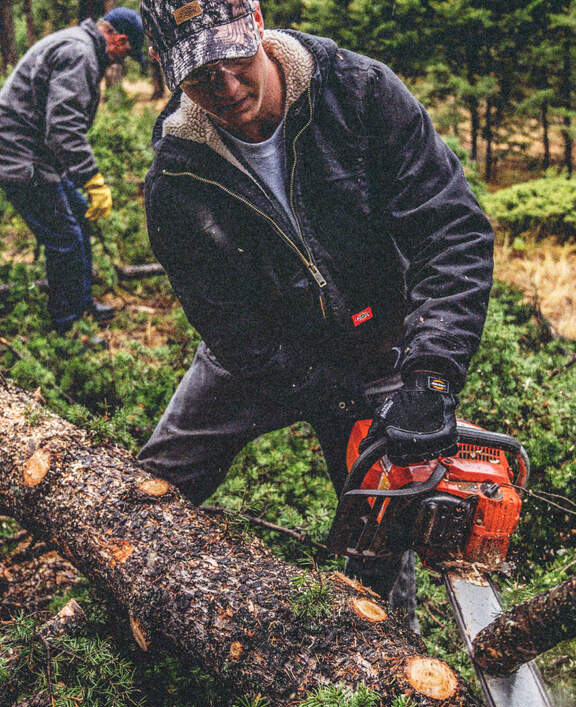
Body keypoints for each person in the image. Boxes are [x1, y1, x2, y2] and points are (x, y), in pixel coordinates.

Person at [137, 0, 494, 630]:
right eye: (198, 76)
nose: (226, 88)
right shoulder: (179, 169)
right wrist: (317, 391)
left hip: (377, 335)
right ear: (170, 71)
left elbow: (451, 232)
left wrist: (431, 376)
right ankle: (111, 608)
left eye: (233, 60)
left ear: (256, 24)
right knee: (150, 489)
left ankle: (383, 647)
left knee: (387, 517)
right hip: (259, 354)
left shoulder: (358, 95)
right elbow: (224, 321)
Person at [0, 8, 144, 334]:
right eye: (126, 53)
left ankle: (81, 304)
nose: (122, 60)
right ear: (119, 40)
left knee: (80, 216)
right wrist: (92, 179)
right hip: (20, 158)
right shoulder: (80, 53)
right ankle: (68, 326)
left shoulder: (79, 45)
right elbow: (64, 128)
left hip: (36, 155)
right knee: (64, 237)